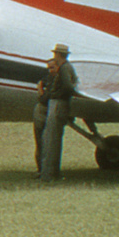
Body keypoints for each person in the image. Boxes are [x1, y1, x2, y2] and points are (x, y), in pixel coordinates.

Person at [39, 44, 76, 182]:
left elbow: (67, 87)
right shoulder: (67, 67)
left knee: (51, 139)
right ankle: (50, 173)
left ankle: (49, 174)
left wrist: (54, 94)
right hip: (61, 103)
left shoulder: (64, 68)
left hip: (58, 104)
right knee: (52, 139)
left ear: (58, 55)